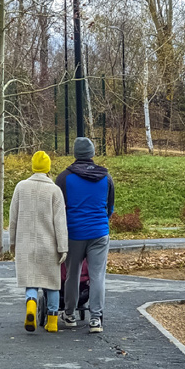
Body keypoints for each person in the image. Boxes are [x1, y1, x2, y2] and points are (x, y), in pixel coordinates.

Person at [56, 137, 114, 333]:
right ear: (92, 153)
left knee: (72, 274)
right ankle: (96, 319)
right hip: (99, 232)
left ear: (75, 154)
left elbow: (58, 208)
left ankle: (70, 314)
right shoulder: (106, 177)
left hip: (74, 233)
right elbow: (110, 208)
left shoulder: (64, 178)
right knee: (97, 275)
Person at [9, 151, 68, 333]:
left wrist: (12, 242)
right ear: (48, 168)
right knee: (52, 283)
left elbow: (13, 217)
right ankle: (52, 322)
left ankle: (31, 306)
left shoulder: (21, 187)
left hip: (25, 244)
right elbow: (60, 222)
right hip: (48, 244)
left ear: (33, 166)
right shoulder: (54, 191)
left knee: (31, 281)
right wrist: (63, 247)